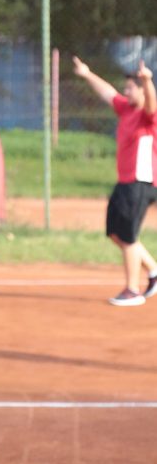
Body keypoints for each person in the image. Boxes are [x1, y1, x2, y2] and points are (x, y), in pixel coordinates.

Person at [72, 56, 157, 306]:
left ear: (142, 90)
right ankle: (153, 270)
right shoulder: (126, 108)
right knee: (116, 233)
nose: (126, 91)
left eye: (131, 87)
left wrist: (148, 80)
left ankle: (132, 290)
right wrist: (87, 73)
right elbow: (107, 92)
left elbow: (152, 104)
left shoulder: (147, 115)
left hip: (141, 183)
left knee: (128, 236)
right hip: (125, 182)